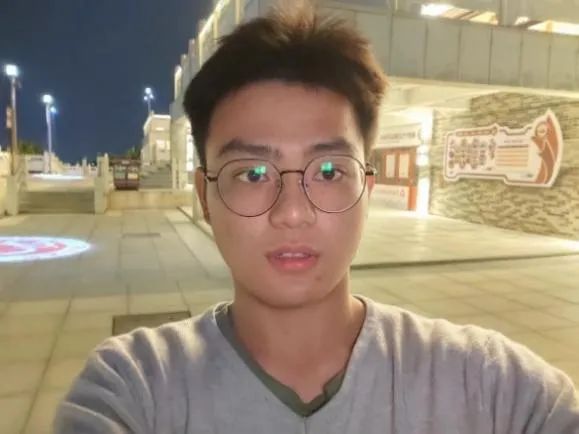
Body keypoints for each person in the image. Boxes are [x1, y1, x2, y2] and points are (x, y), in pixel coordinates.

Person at [54, 4, 579, 433]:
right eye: (252, 173)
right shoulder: (135, 387)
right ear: (205, 197)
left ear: (366, 187)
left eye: (328, 171)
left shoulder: (487, 385)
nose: (292, 212)